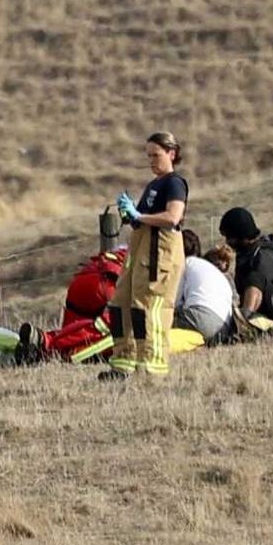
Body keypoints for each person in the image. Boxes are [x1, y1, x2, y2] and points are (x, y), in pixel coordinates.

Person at [98, 131, 188, 381]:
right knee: (121, 303)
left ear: (171, 153)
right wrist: (131, 216)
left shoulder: (175, 183)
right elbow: (143, 221)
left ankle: (152, 367)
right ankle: (123, 363)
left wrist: (139, 216)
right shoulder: (153, 185)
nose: (151, 161)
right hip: (140, 248)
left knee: (148, 306)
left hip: (160, 251)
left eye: (156, 155)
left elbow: (173, 217)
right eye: (148, 156)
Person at [218, 207, 273, 331]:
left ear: (240, 235)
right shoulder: (251, 252)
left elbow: (254, 291)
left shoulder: (259, 255)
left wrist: (243, 321)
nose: (228, 242)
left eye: (230, 237)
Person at [172, 231, 237, 345]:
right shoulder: (208, 269)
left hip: (202, 320)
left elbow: (174, 303)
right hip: (224, 329)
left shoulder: (185, 264)